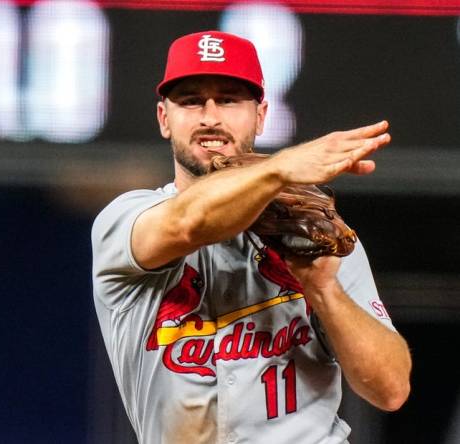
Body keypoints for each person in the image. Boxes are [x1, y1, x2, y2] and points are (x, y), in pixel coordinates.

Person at [90, 30, 412, 444]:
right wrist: (280, 167)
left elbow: (390, 388)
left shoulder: (312, 229)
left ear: (261, 115)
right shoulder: (124, 220)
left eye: (228, 99)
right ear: (163, 118)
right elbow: (189, 223)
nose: (210, 116)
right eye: (191, 101)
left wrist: (324, 289)